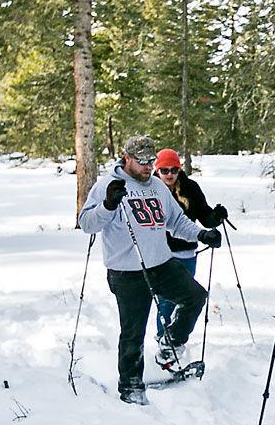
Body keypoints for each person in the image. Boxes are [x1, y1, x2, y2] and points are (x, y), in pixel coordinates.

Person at [78, 135, 222, 405]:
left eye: (150, 160)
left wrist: (201, 235)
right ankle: (130, 386)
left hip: (162, 264)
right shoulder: (107, 185)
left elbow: (176, 221)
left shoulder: (157, 186)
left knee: (195, 296)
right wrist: (108, 205)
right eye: (142, 161)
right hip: (126, 271)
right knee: (134, 332)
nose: (148, 166)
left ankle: (171, 343)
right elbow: (86, 223)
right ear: (127, 158)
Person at [152, 148, 229, 343]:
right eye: (164, 170)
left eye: (174, 170)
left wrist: (217, 217)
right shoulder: (149, 189)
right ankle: (164, 340)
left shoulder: (190, 188)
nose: (169, 174)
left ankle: (174, 340)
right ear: (157, 170)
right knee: (166, 302)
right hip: (160, 255)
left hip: (187, 254)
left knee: (186, 301)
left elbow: (205, 217)